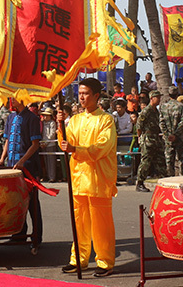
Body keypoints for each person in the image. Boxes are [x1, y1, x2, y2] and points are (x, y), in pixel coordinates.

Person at [57, 77, 117, 278]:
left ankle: (105, 260)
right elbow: (66, 144)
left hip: (98, 179)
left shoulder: (106, 120)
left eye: (86, 94)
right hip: (78, 178)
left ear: (96, 96)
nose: (82, 97)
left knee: (101, 224)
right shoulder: (74, 120)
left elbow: (102, 147)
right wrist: (60, 127)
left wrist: (76, 149)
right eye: (80, 93)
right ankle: (79, 259)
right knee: (79, 222)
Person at [0, 97, 42, 251]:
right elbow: (7, 140)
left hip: (27, 167)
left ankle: (36, 237)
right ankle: (19, 235)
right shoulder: (10, 117)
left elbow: (35, 145)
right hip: (12, 167)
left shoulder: (32, 118)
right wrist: (2, 159)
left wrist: (22, 160)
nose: (12, 101)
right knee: (15, 202)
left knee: (32, 203)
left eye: (14, 98)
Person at [135, 89, 166, 192]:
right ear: (152, 98)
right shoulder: (146, 111)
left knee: (160, 160)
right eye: (158, 97)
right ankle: (140, 183)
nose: (159, 99)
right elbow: (139, 126)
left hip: (156, 138)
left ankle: (164, 182)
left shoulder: (155, 110)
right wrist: (141, 138)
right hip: (148, 139)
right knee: (146, 162)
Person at [159, 86, 183, 176]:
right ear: (177, 94)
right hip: (180, 137)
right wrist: (175, 134)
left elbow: (161, 123)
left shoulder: (163, 107)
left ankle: (170, 179)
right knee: (181, 159)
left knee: (169, 160)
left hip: (168, 139)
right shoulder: (181, 106)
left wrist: (167, 135)